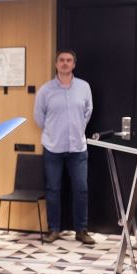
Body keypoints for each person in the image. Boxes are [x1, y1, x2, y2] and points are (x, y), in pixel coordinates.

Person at [34, 49, 95, 245]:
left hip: (78, 148)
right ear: (56, 64)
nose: (65, 63)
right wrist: (54, 131)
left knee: (81, 189)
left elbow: (88, 112)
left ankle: (81, 230)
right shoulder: (45, 90)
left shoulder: (84, 87)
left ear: (74, 64)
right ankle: (54, 229)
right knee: (53, 189)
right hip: (53, 147)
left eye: (69, 60)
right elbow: (39, 117)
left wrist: (77, 128)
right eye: (61, 60)